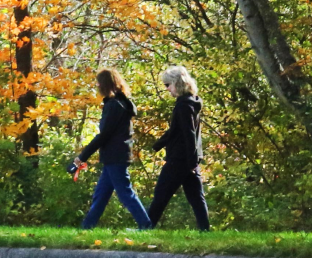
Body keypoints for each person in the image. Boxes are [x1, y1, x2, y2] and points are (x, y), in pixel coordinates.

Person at [74, 69, 153, 230]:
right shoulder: (123, 103)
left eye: (98, 83)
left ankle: (145, 225)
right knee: (101, 195)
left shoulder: (113, 106)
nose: (97, 86)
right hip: (116, 155)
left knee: (125, 193)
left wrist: (83, 156)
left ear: (104, 85)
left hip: (115, 155)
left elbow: (104, 135)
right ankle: (87, 227)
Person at [147, 65, 210, 231]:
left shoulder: (183, 106)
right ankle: (205, 230)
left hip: (180, 159)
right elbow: (177, 130)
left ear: (177, 83)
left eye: (168, 85)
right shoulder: (192, 102)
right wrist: (159, 144)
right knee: (196, 197)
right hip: (190, 159)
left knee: (161, 194)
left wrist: (190, 162)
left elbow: (188, 133)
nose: (167, 89)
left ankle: (146, 226)